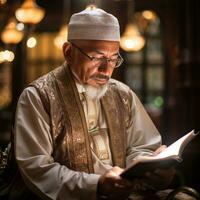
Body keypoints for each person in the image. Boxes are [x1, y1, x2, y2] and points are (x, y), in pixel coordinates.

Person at [1, 8, 196, 200]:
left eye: (113, 59)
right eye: (96, 58)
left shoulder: (123, 94)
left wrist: (154, 170)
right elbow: (39, 170)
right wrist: (97, 185)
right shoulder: (38, 97)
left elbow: (141, 148)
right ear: (68, 53)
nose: (106, 69)